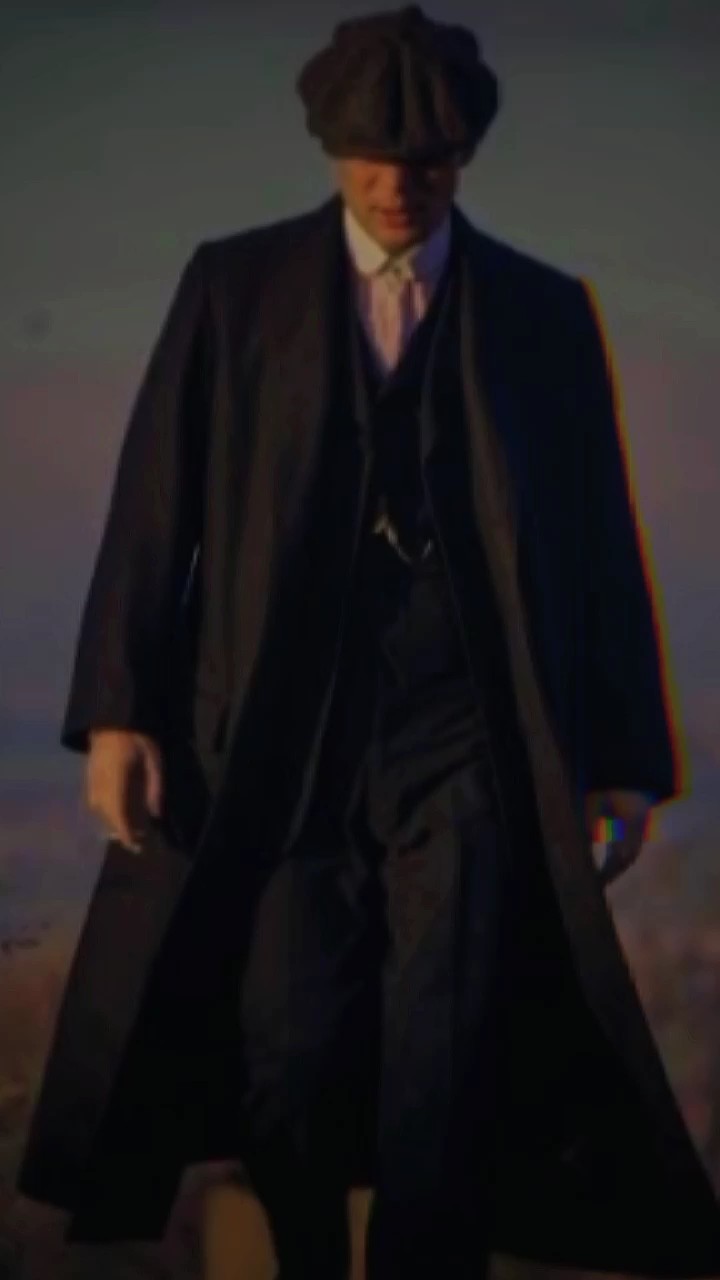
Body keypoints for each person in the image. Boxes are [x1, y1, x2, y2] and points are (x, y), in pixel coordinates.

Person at [16, 6, 720, 1279]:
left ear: (465, 156)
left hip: (468, 737)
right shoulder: (233, 289)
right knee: (287, 1053)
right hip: (277, 738)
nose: (400, 183)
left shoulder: (544, 313)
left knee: (446, 1067)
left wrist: (621, 761)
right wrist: (118, 710)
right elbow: (154, 503)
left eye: (429, 160)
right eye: (378, 157)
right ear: (333, 148)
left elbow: (600, 543)